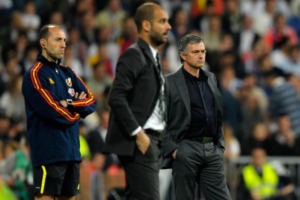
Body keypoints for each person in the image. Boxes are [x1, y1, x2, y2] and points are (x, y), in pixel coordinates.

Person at [104, 2, 171, 200]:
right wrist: (138, 133)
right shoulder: (134, 55)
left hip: (153, 142)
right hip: (139, 143)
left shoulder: (153, 58)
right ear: (146, 25)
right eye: (162, 21)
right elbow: (116, 97)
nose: (169, 26)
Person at [22, 24, 97, 200]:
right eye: (58, 39)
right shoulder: (35, 74)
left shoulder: (68, 73)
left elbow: (92, 101)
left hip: (72, 152)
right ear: (43, 43)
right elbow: (54, 111)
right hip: (49, 153)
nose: (63, 44)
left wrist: (69, 103)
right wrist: (78, 109)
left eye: (64, 40)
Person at [161, 34, 231, 200]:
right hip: (185, 148)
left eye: (203, 51)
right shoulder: (169, 83)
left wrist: (220, 146)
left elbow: (216, 114)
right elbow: (158, 120)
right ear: (182, 55)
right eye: (195, 52)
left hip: (211, 149)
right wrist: (174, 150)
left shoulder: (211, 78)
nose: (201, 55)